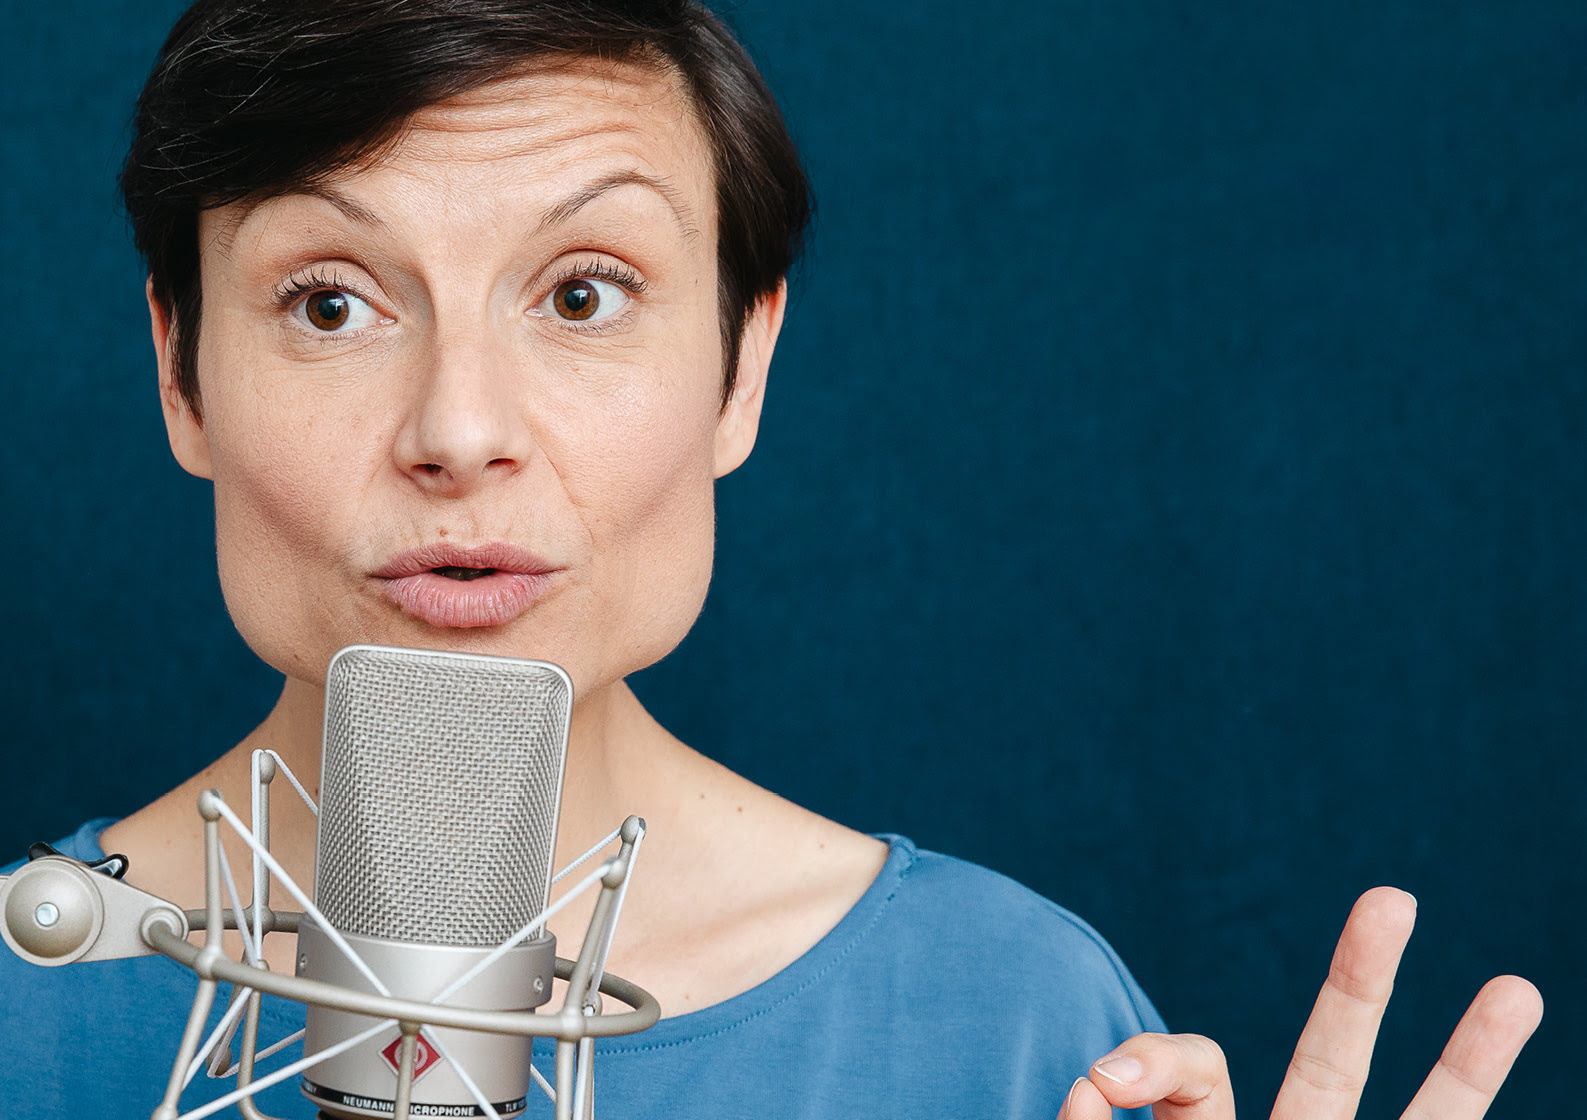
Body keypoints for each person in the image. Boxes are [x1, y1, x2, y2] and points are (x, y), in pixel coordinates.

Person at [0, 1, 1541, 1118]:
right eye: (332, 301)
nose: (459, 432)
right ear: (179, 370)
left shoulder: (1016, 1028)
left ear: (743, 368)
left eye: (586, 294)